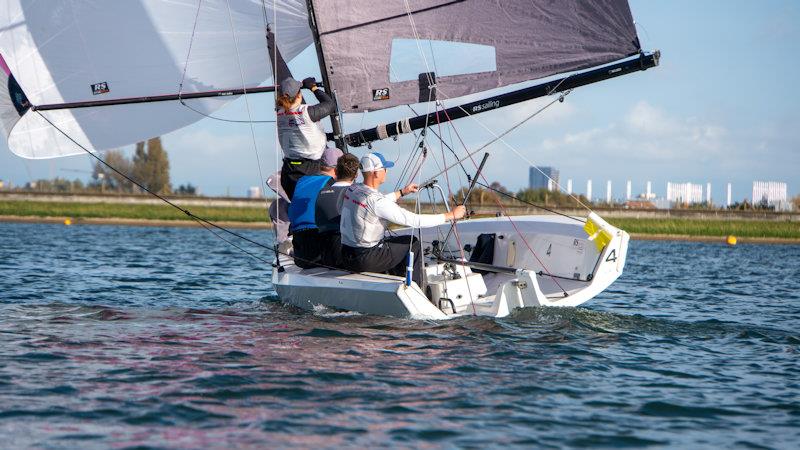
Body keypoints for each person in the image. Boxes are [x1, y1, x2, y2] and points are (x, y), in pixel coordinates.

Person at [339, 152, 466, 286]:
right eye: (385, 169)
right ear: (376, 173)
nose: (386, 172)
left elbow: (374, 205)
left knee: (395, 243)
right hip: (365, 259)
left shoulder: (354, 190)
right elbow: (414, 220)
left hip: (347, 255)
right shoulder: (377, 202)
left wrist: (402, 192)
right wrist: (450, 215)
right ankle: (416, 290)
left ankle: (396, 282)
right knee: (413, 244)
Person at [276, 76, 336, 199]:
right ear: (299, 95)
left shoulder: (279, 112)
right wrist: (313, 88)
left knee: (298, 210)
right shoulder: (307, 112)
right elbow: (330, 105)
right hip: (309, 169)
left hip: (289, 171)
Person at [287, 147, 343, 268]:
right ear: (337, 169)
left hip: (300, 255)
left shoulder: (302, 181)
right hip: (321, 255)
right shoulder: (333, 185)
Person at [314, 153, 360, 268]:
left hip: (325, 255)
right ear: (356, 175)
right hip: (347, 258)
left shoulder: (322, 192)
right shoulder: (355, 193)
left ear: (336, 171)